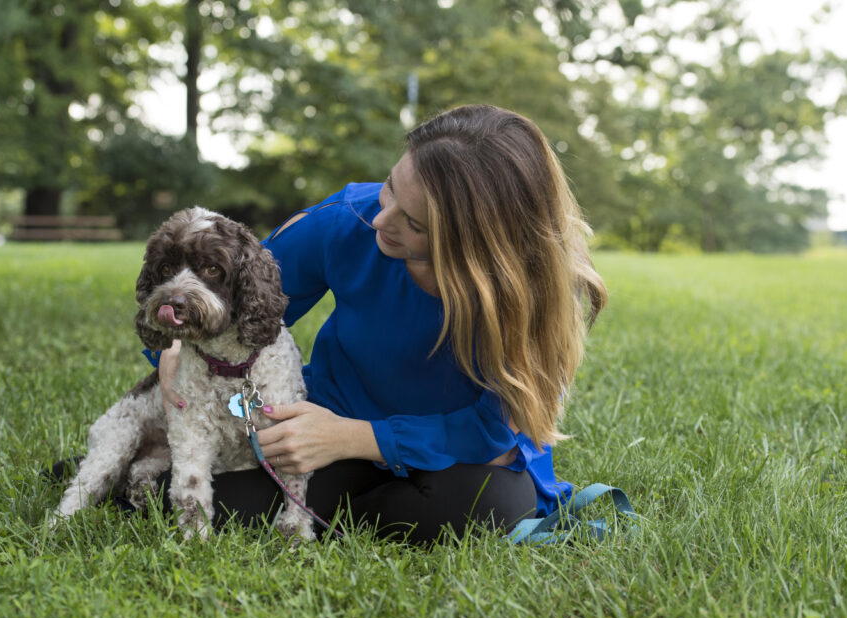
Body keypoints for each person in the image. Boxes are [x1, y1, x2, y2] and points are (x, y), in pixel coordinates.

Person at [126, 104, 607, 545]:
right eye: (391, 187)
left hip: (457, 460)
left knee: (492, 505)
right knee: (201, 501)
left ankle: (332, 513)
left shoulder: (531, 292)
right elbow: (234, 295)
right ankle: (342, 509)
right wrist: (174, 349)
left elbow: (491, 433)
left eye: (414, 224)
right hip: (326, 439)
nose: (381, 220)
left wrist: (355, 438)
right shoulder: (351, 217)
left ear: (477, 248)